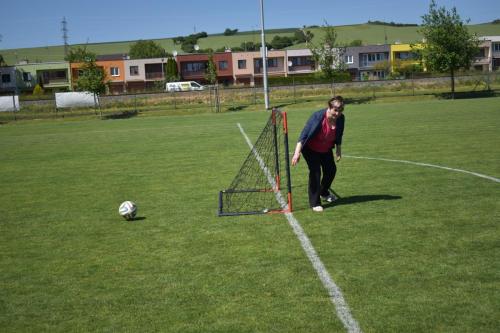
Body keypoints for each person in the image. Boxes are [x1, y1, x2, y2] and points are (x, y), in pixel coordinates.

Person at [291, 96, 345, 212]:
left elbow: (339, 135)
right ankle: (315, 203)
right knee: (315, 171)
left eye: (340, 110)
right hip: (310, 149)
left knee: (331, 170)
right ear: (329, 108)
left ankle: (324, 192)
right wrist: (296, 153)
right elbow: (304, 135)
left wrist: (338, 150)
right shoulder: (318, 117)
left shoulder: (341, 119)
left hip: (325, 149)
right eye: (335, 110)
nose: (338, 113)